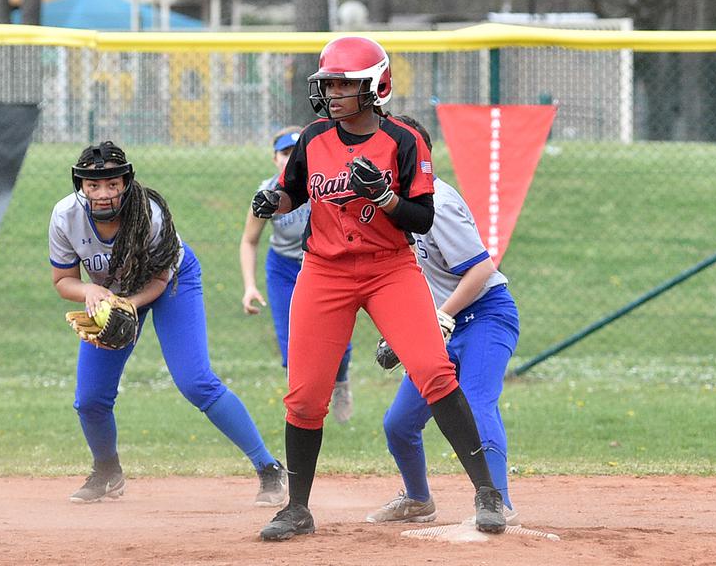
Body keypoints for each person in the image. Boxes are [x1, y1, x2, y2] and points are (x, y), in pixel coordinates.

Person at [249, 36, 507, 541]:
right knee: (304, 397)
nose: (333, 92)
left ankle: (487, 493)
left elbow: (422, 215)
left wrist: (384, 196)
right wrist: (271, 202)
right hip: (325, 271)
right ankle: (297, 509)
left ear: (376, 87)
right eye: (329, 83)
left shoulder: (405, 139)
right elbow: (294, 192)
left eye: (345, 83)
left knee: (435, 371)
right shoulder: (314, 136)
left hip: (389, 267)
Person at [49, 141, 287, 506]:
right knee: (90, 399)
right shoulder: (65, 217)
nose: (103, 193)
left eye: (112, 183)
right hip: (113, 294)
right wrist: (90, 291)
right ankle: (107, 472)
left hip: (171, 282)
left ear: (126, 183)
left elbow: (160, 279)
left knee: (196, 382)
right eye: (93, 184)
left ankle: (269, 468)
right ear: (79, 185)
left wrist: (128, 304)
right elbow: (63, 280)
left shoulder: (149, 214)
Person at [365, 115, 521, 527]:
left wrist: (442, 316)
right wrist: (400, 332)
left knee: (474, 400)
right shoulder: (388, 205)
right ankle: (418, 500)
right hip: (437, 322)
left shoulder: (441, 203)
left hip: (485, 314)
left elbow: (482, 269)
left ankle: (498, 503)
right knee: (399, 424)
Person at [239, 126, 354, 424]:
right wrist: (249, 286)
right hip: (284, 268)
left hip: (326, 265)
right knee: (291, 344)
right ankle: (303, 410)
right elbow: (249, 241)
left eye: (295, 152)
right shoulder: (267, 193)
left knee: (337, 345)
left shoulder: (328, 183)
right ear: (274, 158)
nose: (290, 159)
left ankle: (340, 384)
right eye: (284, 153)